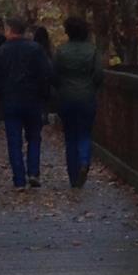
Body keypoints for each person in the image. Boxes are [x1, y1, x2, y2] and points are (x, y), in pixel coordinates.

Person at [0, 16, 53, 189]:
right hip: (33, 99)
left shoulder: (1, 52)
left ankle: (19, 179)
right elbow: (46, 74)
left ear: (10, 30)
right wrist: (44, 96)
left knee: (14, 140)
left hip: (11, 100)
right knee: (34, 137)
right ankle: (33, 172)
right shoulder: (36, 49)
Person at [52, 15, 104, 188]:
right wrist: (92, 86)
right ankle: (84, 161)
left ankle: (73, 175)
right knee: (84, 132)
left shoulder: (61, 51)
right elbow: (98, 74)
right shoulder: (92, 51)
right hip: (87, 96)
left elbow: (54, 74)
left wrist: (60, 88)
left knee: (70, 136)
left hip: (66, 97)